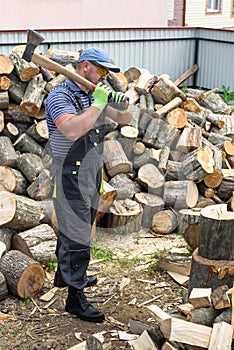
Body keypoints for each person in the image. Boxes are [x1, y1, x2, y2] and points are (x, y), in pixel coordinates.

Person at [45, 47, 132, 323]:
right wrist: (98, 103)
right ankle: (75, 297)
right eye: (102, 70)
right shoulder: (60, 96)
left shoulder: (94, 92)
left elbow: (125, 120)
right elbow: (71, 130)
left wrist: (121, 104)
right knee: (78, 234)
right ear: (84, 67)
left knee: (77, 226)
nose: (105, 76)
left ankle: (66, 274)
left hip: (91, 170)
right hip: (69, 172)